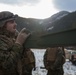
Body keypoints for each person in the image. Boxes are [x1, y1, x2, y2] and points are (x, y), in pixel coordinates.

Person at [0, 11, 30, 75]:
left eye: (15, 21)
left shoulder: (14, 37)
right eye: (11, 22)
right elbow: (6, 64)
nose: (15, 24)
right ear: (3, 25)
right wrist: (18, 43)